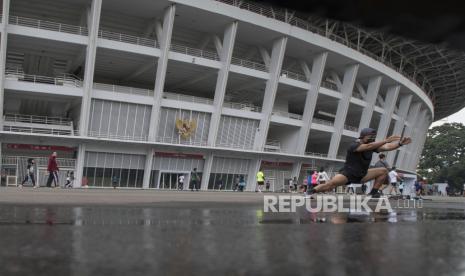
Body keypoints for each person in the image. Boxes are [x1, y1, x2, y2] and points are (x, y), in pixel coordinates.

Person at [311, 128, 412, 198]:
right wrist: (386, 140)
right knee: (330, 185)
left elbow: (387, 147)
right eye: (370, 136)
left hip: (363, 174)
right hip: (348, 174)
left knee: (383, 171)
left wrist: (400, 144)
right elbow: (368, 147)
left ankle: (373, 193)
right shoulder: (354, 145)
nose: (372, 138)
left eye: (374, 137)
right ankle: (310, 192)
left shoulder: (372, 146)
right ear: (362, 137)